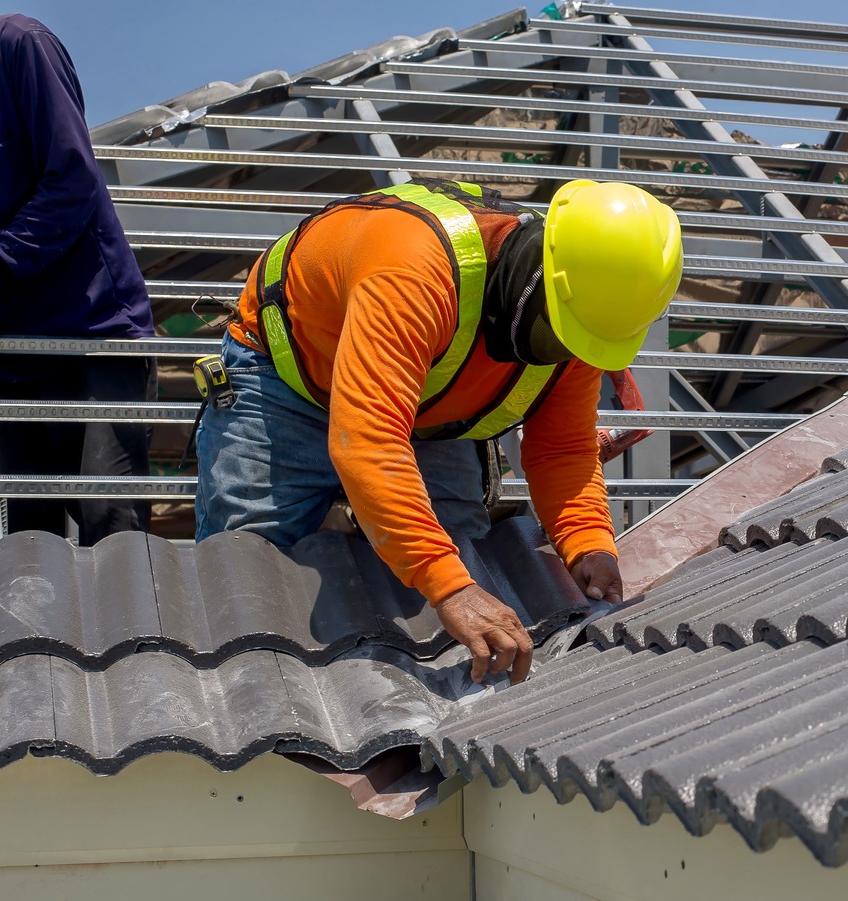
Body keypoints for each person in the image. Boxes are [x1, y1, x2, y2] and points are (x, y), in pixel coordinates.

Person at [194, 177, 682, 685]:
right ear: (536, 274)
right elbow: (369, 441)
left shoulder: (585, 315)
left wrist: (589, 544)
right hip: (290, 382)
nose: (565, 350)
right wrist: (449, 588)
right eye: (559, 331)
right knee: (247, 574)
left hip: (428, 402)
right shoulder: (414, 268)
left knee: (462, 556)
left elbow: (562, 448)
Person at [0, 1, 156, 543]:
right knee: (27, 547)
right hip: (9, 353)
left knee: (110, 525)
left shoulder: (16, 46)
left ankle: (137, 633)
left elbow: (73, 179)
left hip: (96, 335)